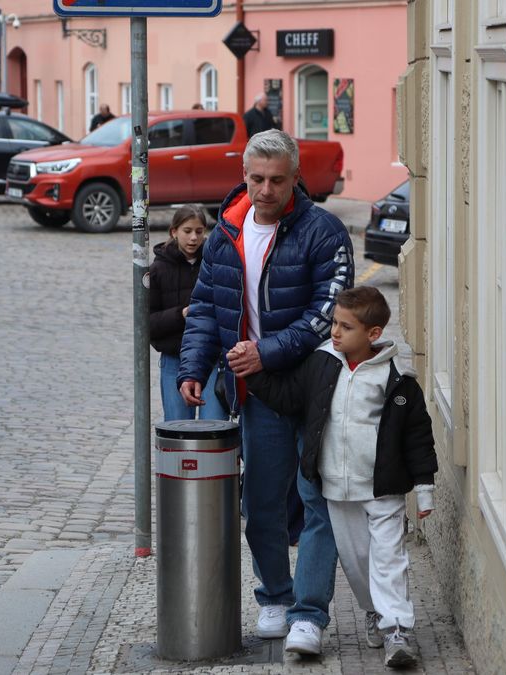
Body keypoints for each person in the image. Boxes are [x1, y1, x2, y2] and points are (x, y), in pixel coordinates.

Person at [178, 129, 354, 647]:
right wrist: (194, 366)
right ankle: (275, 595)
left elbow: (330, 312)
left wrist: (267, 350)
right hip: (259, 395)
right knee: (259, 503)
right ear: (244, 176)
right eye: (256, 179)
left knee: (317, 499)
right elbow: (207, 307)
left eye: (278, 180)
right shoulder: (226, 232)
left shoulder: (324, 231)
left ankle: (309, 613)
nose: (266, 190)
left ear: (296, 179)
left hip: (319, 388)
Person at [238, 286, 437, 666]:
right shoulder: (321, 364)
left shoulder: (397, 379)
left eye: (346, 327)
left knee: (388, 557)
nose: (335, 332)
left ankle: (398, 629)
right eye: (334, 323)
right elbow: (288, 398)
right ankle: (375, 611)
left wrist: (424, 489)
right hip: (335, 487)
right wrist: (255, 375)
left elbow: (417, 436)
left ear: (373, 334)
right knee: (357, 559)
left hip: (383, 488)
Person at [149, 206, 228, 421]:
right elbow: (148, 324)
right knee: (178, 427)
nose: (194, 238)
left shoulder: (213, 263)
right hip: (174, 357)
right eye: (187, 231)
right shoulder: (158, 269)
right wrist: (181, 314)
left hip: (211, 358)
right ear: (174, 232)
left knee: (213, 424)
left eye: (199, 231)